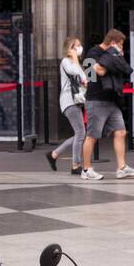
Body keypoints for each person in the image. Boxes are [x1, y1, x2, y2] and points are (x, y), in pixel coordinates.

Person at [80, 29, 134, 180]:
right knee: (92, 135)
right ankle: (86, 170)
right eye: (120, 45)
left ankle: (122, 168)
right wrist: (112, 55)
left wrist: (115, 57)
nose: (121, 49)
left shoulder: (113, 55)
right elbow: (97, 72)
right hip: (96, 99)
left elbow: (124, 69)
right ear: (113, 43)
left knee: (121, 132)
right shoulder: (93, 53)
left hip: (112, 99)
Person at [46, 36, 88, 175]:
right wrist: (75, 58)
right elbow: (77, 73)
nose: (80, 47)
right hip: (69, 101)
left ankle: (54, 154)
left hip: (76, 100)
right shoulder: (66, 61)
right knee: (81, 133)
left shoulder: (74, 62)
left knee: (79, 133)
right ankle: (75, 165)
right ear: (70, 49)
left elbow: (84, 79)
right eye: (77, 45)